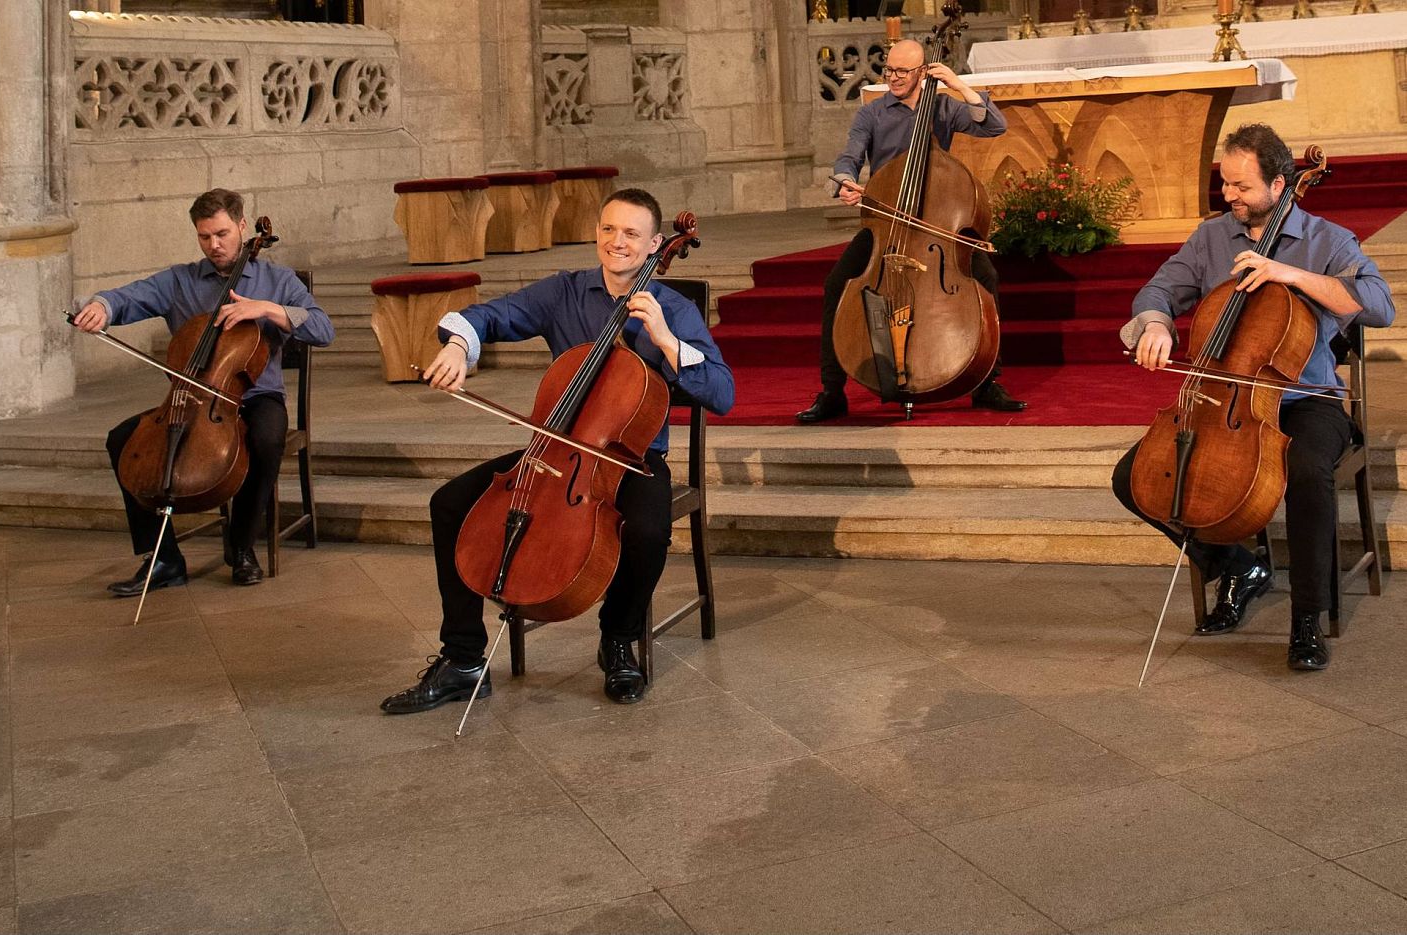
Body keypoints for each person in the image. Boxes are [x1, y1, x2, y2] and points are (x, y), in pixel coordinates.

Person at [381, 188, 734, 713]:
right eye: (609, 229)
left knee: (649, 530)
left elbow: (723, 393)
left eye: (632, 234)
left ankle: (617, 638)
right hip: (553, 451)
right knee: (449, 503)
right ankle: (462, 659)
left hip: (631, 459)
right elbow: (489, 316)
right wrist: (458, 345)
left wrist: (663, 338)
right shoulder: (563, 292)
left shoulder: (673, 310)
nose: (617, 242)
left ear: (657, 243)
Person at [1111, 124, 1395, 671]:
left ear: (1280, 183)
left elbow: (1380, 307)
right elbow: (1157, 290)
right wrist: (1156, 324)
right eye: (1226, 184)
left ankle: (1308, 618)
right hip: (1224, 401)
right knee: (1134, 477)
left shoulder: (1327, 240)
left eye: (1241, 187)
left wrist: (1289, 273)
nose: (1229, 196)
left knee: (1308, 472)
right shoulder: (1212, 237)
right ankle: (1238, 565)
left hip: (1305, 400)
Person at [71, 188, 335, 594]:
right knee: (123, 440)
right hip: (193, 400)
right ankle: (162, 558)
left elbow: (323, 329)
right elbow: (131, 296)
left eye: (223, 234)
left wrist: (267, 309)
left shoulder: (277, 281)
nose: (214, 245)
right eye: (205, 237)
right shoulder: (181, 281)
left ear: (243, 226)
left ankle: (242, 547)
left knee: (266, 438)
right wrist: (103, 306)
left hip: (257, 396)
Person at [797, 38, 1025, 424]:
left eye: (903, 72)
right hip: (885, 223)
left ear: (923, 73)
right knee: (836, 284)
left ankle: (987, 383)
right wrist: (844, 180)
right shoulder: (873, 114)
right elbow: (849, 156)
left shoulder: (944, 107)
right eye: (888, 70)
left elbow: (995, 126)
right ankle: (832, 392)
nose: (893, 78)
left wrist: (959, 85)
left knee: (985, 277)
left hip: (936, 224)